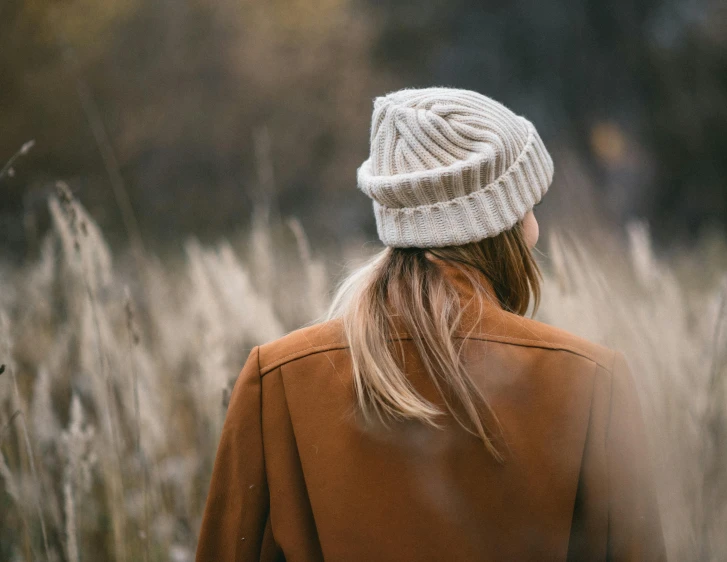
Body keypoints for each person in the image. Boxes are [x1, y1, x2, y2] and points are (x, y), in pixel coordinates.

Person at [195, 87, 666, 561]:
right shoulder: (590, 381)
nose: (535, 225)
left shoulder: (278, 380)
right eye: (529, 203)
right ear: (503, 220)